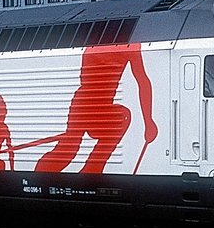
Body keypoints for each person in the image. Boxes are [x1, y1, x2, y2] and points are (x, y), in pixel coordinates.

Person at [35, 42, 157, 175]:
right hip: (90, 106)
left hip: (87, 105)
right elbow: (142, 80)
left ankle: (89, 170)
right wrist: (148, 121)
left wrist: (148, 121)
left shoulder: (95, 45)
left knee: (68, 150)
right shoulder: (128, 47)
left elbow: (142, 82)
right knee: (69, 150)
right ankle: (87, 170)